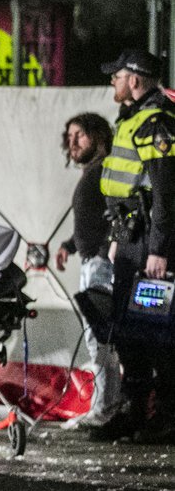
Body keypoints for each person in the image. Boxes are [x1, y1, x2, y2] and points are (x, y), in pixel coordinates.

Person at [91, 47, 175, 444]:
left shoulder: (158, 124)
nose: (113, 81)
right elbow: (127, 193)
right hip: (130, 240)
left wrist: (158, 248)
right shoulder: (133, 118)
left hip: (149, 246)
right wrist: (117, 240)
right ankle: (133, 410)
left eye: (118, 75)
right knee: (128, 331)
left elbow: (164, 194)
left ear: (136, 80)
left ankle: (165, 416)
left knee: (155, 331)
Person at [54, 111, 122, 427]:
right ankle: (104, 406)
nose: (73, 142)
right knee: (97, 336)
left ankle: (105, 410)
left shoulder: (105, 170)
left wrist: (107, 249)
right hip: (91, 260)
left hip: (101, 264)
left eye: (79, 135)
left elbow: (117, 213)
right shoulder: (92, 173)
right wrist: (69, 245)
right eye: (69, 137)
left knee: (100, 337)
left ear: (97, 136)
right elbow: (90, 220)